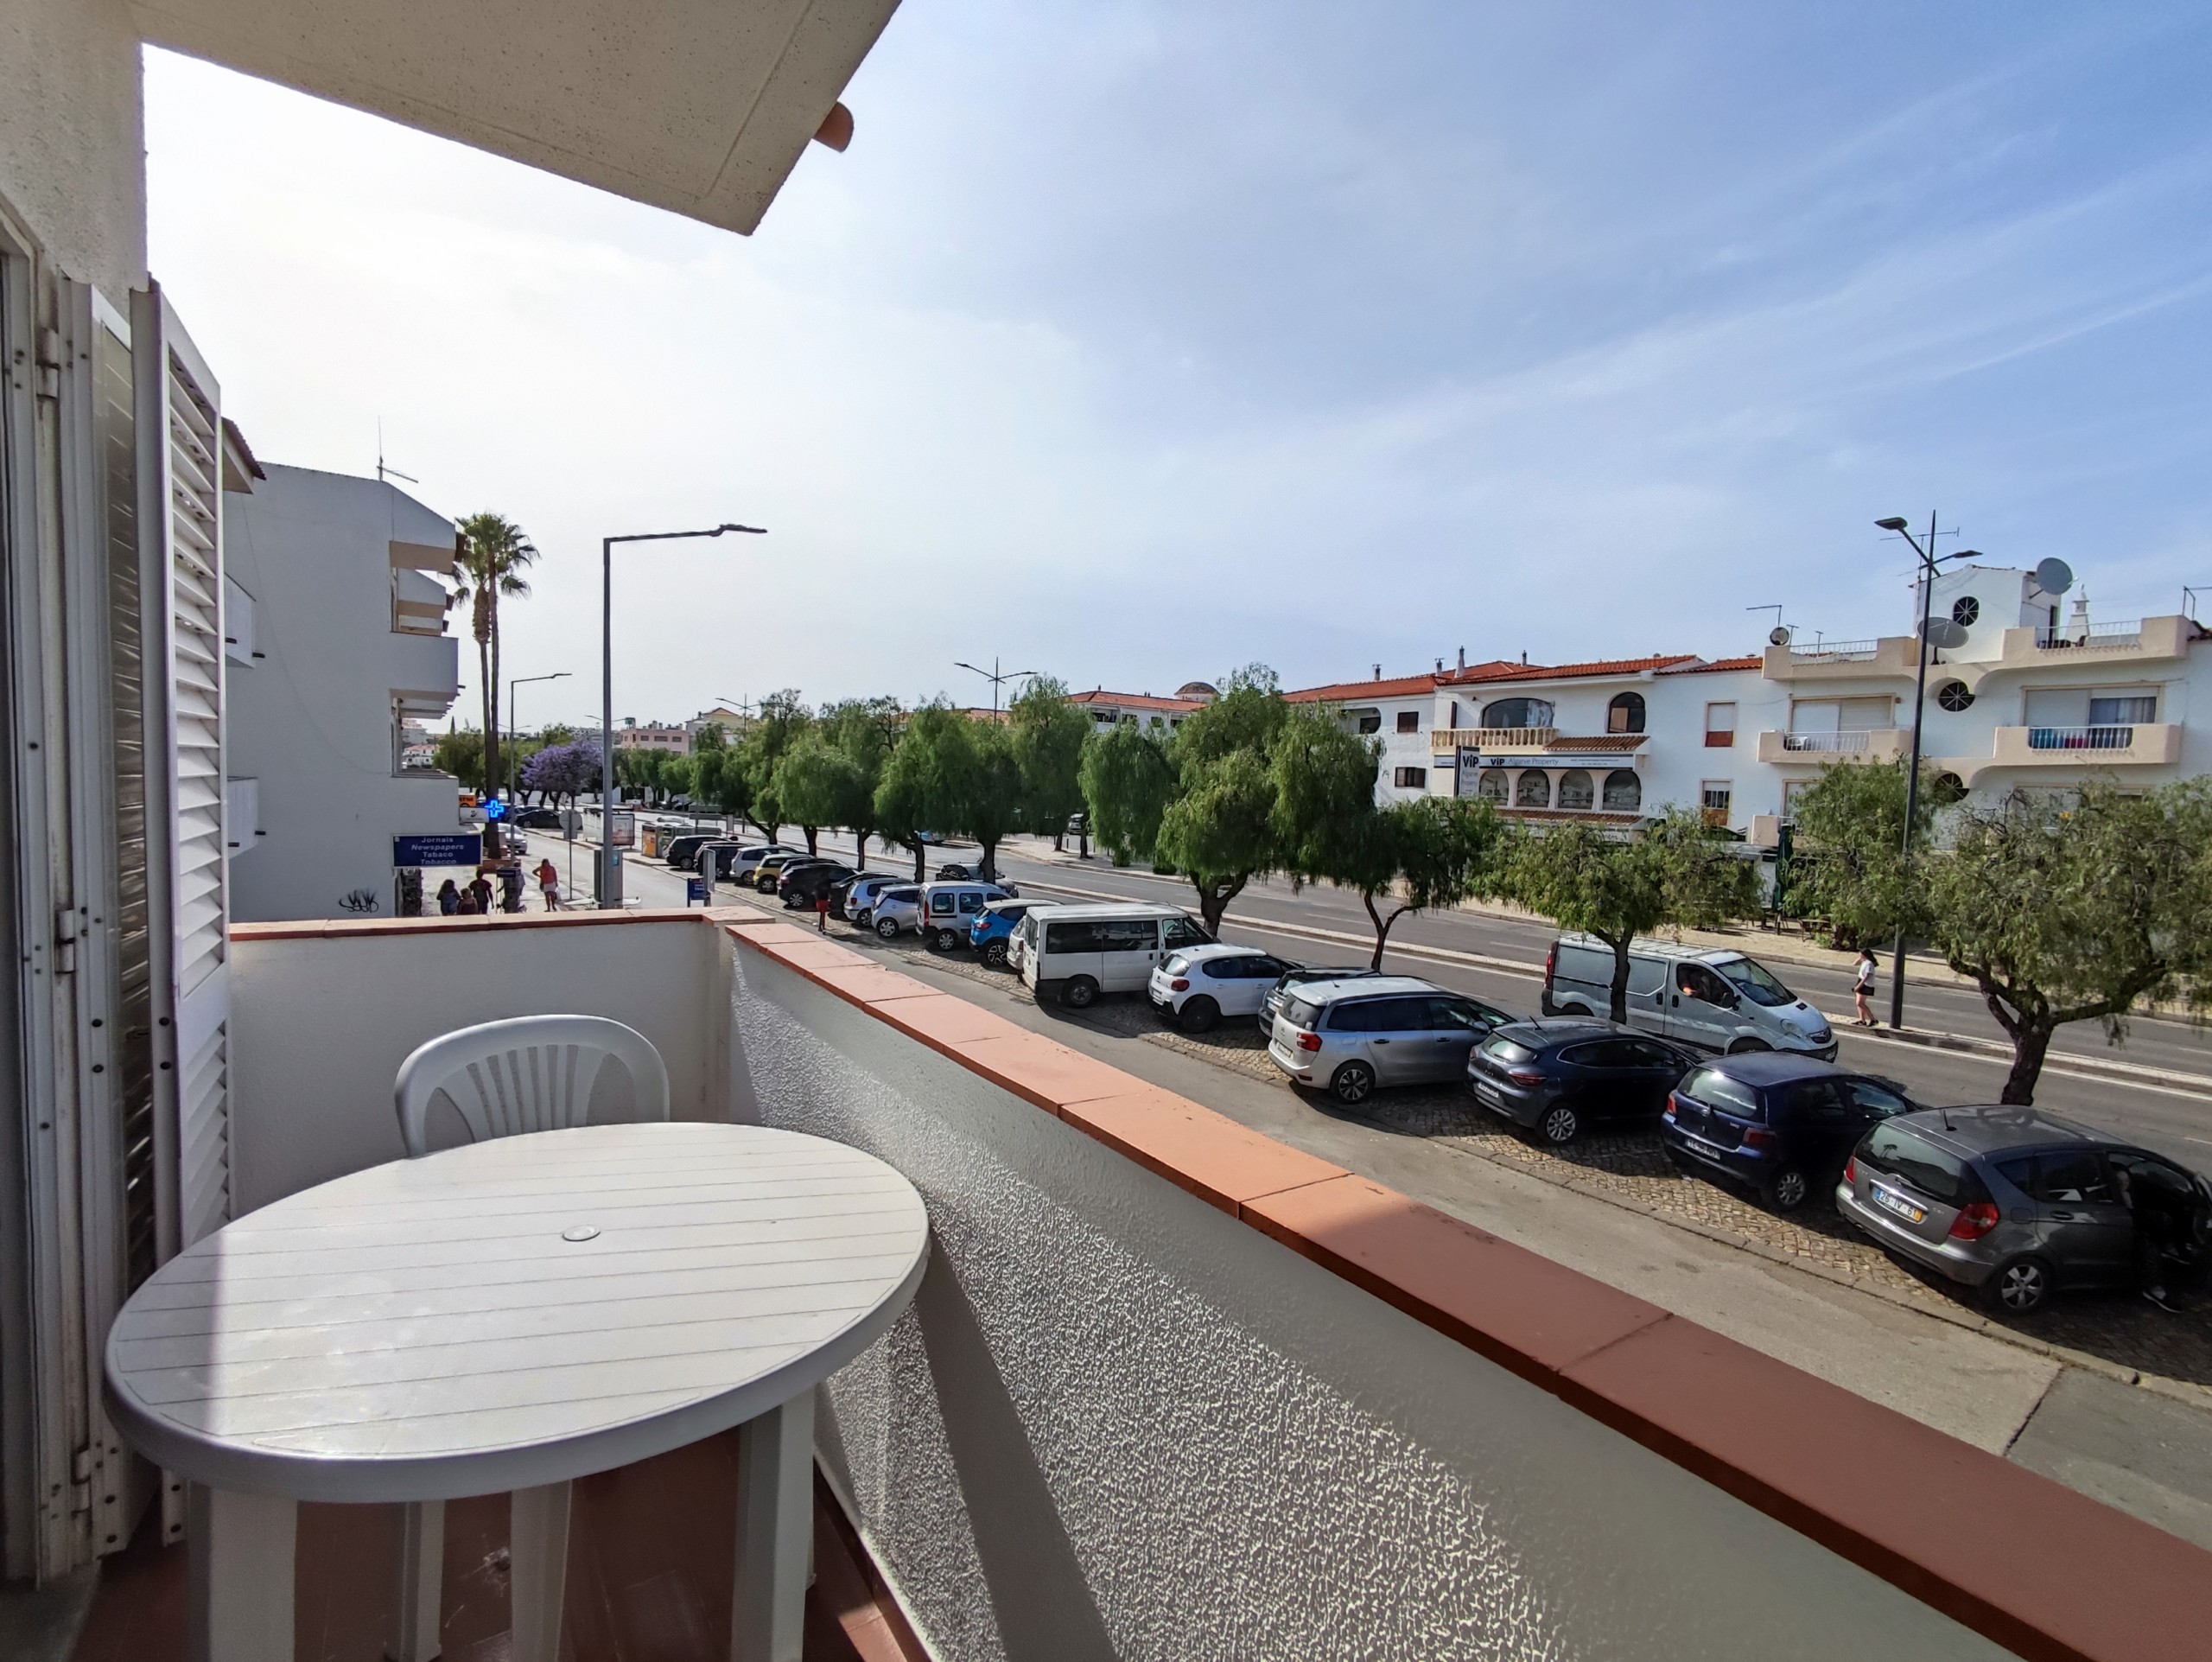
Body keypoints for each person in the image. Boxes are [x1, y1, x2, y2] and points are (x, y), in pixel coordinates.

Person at [1852, 949, 1878, 1027]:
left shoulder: (1869, 963)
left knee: (1860, 1003)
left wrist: (1859, 986)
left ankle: (1873, 1019)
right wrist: (1860, 958)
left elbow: (1867, 976)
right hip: (1861, 981)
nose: (1859, 954)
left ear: (1864, 954)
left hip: (1866, 984)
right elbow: (1854, 964)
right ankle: (1862, 1020)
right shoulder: (1864, 961)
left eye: (1860, 953)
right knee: (1859, 1003)